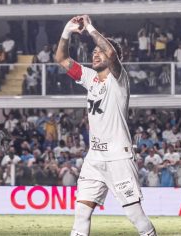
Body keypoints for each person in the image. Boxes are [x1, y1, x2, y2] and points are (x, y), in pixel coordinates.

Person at [55, 15, 156, 236]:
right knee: (81, 213)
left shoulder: (119, 79)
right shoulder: (89, 77)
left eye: (99, 51)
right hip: (94, 158)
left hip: (118, 157)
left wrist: (90, 28)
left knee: (134, 215)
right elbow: (61, 58)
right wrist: (67, 31)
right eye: (94, 52)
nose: (95, 54)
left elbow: (110, 53)